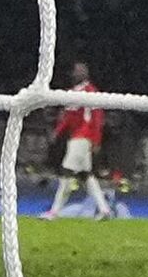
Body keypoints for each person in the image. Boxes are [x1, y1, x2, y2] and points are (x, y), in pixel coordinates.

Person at [41, 60, 111, 220]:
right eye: (77, 70)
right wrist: (57, 132)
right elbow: (67, 118)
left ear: (87, 73)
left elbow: (97, 117)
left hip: (83, 137)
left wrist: (96, 140)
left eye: (82, 70)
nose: (79, 73)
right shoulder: (72, 93)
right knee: (86, 175)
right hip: (75, 137)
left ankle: (54, 212)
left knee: (66, 172)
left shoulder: (90, 91)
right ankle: (104, 210)